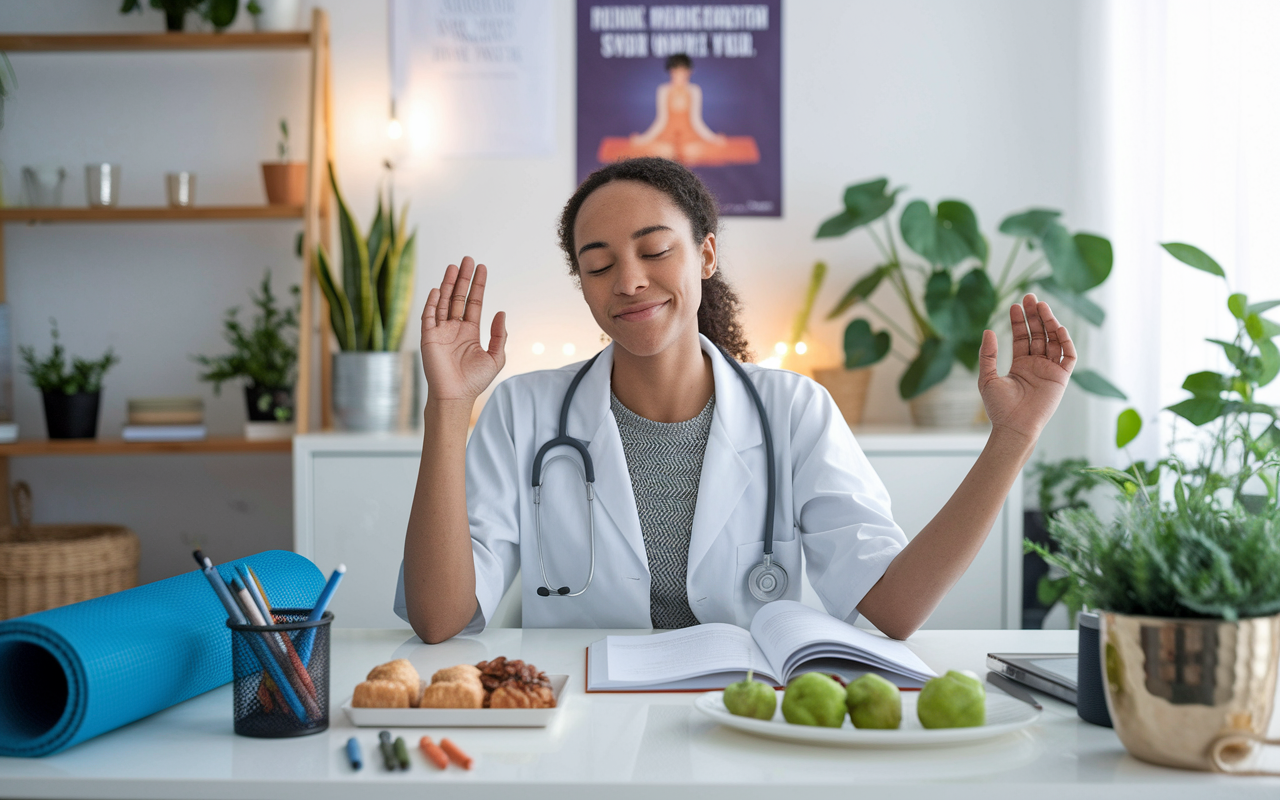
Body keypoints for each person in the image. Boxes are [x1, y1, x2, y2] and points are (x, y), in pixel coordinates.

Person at [399, 157, 1074, 644]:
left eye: (656, 250)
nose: (629, 281)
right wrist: (449, 406)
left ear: (707, 254)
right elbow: (439, 618)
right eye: (599, 265)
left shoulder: (794, 411)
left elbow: (892, 609)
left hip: (745, 725)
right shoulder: (524, 412)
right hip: (581, 728)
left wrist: (1012, 437)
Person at [596, 54, 760, 167]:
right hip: (666, 136)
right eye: (676, 72)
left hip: (690, 136)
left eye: (683, 72)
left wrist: (713, 139)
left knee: (692, 152)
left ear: (690, 72)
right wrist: (643, 139)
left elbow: (697, 121)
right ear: (671, 72)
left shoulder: (694, 90)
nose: (680, 76)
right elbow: (660, 120)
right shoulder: (663, 90)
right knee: (665, 152)